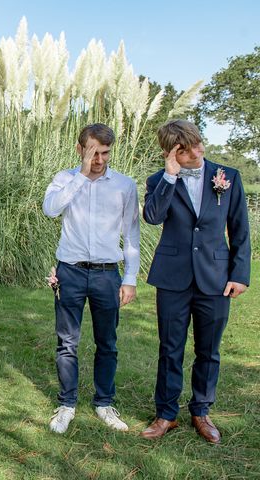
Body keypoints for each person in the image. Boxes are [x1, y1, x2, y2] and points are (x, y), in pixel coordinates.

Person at [140, 119, 251, 443]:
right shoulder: (159, 180)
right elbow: (152, 216)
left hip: (215, 279)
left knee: (209, 350)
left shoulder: (228, 177)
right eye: (189, 151)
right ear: (172, 153)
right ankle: (166, 414)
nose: (199, 151)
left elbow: (241, 231)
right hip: (173, 279)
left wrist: (239, 275)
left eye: (199, 144)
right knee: (169, 349)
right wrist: (171, 175)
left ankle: (201, 411)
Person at [42, 123, 140, 434]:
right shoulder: (64, 179)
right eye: (93, 152)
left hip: (107, 274)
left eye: (105, 153)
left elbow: (132, 234)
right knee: (67, 342)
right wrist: (81, 176)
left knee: (107, 343)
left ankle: (104, 403)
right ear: (80, 149)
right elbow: (50, 209)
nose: (99, 159)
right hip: (69, 271)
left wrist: (130, 278)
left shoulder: (124, 185)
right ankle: (67, 403)